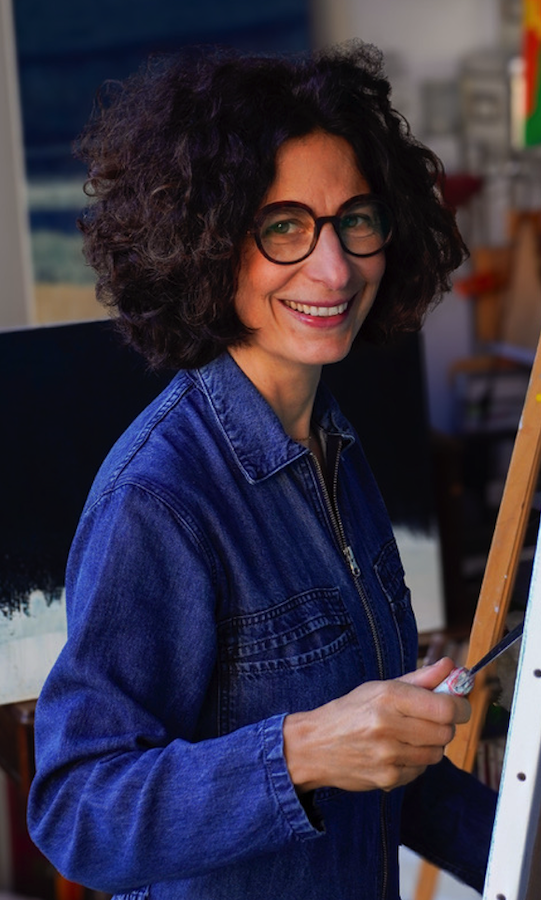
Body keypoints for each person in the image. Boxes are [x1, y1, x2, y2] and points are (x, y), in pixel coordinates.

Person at [27, 42, 496, 899]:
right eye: (283, 226)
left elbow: (381, 767)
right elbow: (78, 812)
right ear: (206, 244)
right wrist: (302, 751)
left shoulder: (334, 448)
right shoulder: (158, 498)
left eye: (356, 219)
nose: (334, 267)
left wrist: (517, 848)